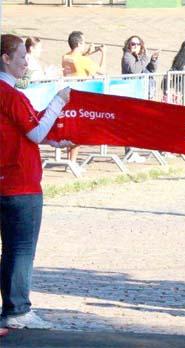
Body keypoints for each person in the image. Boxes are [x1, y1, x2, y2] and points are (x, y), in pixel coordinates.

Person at [0, 34, 71, 330]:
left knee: (11, 250)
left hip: (8, 179)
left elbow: (23, 130)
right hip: (19, 182)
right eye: (20, 56)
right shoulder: (11, 95)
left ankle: (13, 309)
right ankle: (17, 310)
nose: (25, 61)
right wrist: (59, 100)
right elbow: (35, 132)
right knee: (20, 249)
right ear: (5, 57)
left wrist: (54, 139)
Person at [62, 31, 105, 165]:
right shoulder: (84, 60)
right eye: (84, 42)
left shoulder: (65, 57)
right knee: (77, 132)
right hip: (80, 96)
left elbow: (77, 61)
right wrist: (104, 54)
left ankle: (69, 161)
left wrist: (87, 53)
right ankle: (73, 163)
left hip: (67, 96)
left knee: (69, 130)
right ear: (80, 43)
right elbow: (102, 70)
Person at [121, 35, 159, 162]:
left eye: (138, 44)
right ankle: (130, 152)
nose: (135, 46)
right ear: (128, 45)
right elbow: (135, 70)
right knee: (130, 124)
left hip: (141, 92)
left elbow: (150, 70)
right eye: (133, 44)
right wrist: (146, 58)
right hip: (131, 93)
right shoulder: (127, 56)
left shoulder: (140, 57)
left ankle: (137, 149)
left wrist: (153, 60)